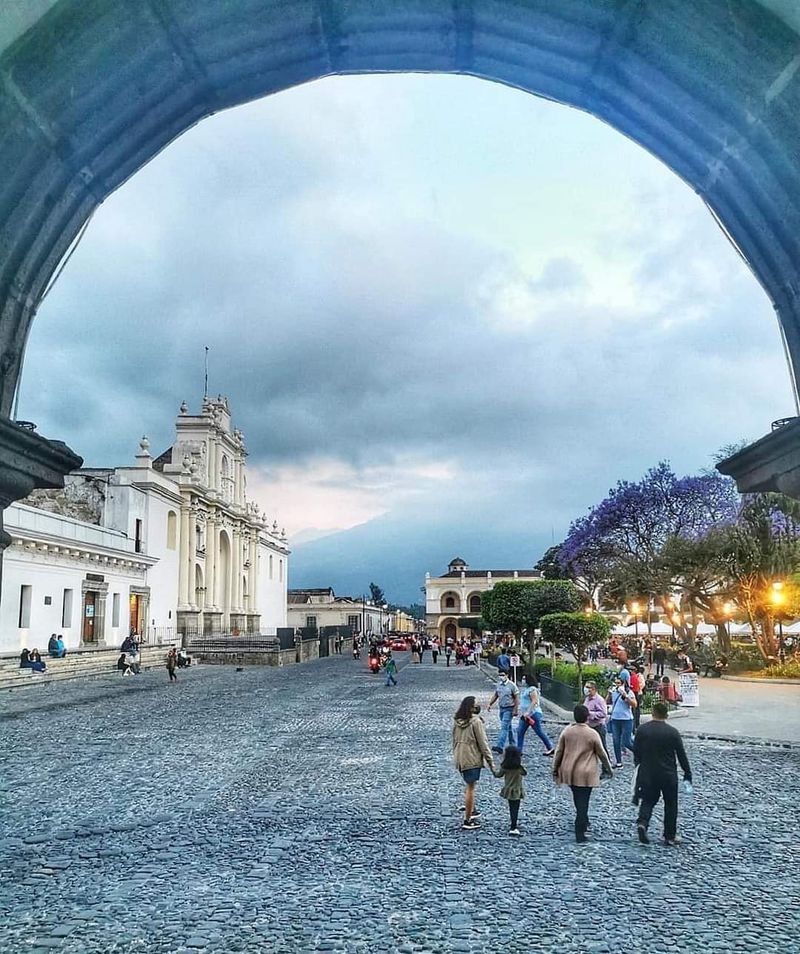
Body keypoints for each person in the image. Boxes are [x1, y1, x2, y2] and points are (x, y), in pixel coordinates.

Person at [633, 701, 693, 846]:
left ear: (653, 713)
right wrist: (687, 772)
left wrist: (639, 765)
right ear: (666, 715)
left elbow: (636, 751)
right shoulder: (672, 732)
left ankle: (642, 823)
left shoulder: (642, 730)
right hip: (668, 774)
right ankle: (669, 835)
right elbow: (681, 754)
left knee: (648, 800)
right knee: (671, 804)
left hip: (648, 772)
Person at [552, 704, 614, 843]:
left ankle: (583, 820)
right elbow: (602, 754)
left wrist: (555, 768)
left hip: (570, 771)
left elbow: (559, 751)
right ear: (587, 717)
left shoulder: (567, 731)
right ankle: (580, 829)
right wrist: (609, 769)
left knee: (577, 798)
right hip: (586, 772)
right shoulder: (592, 734)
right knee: (584, 800)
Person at [452, 695, 495, 831]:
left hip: (460, 757)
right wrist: (491, 762)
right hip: (472, 757)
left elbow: (454, 739)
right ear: (471, 707)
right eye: (476, 704)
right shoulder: (476, 722)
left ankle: (471, 809)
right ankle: (467, 819)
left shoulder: (457, 721)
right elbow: (483, 744)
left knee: (469, 784)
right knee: (471, 787)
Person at [490, 745, 527, 836]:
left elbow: (498, 775)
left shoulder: (505, 767)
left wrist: (492, 769)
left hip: (508, 790)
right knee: (516, 808)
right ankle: (514, 825)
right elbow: (524, 773)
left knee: (511, 807)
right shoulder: (519, 767)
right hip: (517, 790)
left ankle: (512, 825)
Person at [516, 674, 555, 756]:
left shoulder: (532, 689)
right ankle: (519, 750)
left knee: (539, 731)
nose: (523, 680)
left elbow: (534, 701)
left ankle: (550, 747)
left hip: (533, 714)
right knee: (520, 731)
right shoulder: (526, 690)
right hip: (525, 715)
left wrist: (528, 711)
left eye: (524, 678)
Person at [606, 673, 636, 768]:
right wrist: (609, 694)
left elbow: (634, 704)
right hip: (615, 719)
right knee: (616, 741)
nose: (617, 685)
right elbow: (606, 702)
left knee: (627, 741)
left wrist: (625, 695)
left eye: (618, 683)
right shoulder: (614, 692)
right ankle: (619, 762)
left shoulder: (629, 692)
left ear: (623, 683)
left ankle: (639, 752)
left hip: (626, 719)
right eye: (615, 683)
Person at [487, 671, 519, 754]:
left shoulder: (512, 685)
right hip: (502, 708)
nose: (501, 676)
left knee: (504, 727)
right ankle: (513, 745)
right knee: (508, 727)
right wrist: (490, 704)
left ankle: (500, 746)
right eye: (500, 675)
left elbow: (516, 698)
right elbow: (496, 695)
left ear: (507, 675)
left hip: (509, 708)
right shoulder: (499, 685)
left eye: (503, 675)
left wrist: (515, 709)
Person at [584, 681, 610, 756]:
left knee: (602, 747)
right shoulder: (587, 699)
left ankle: (606, 762)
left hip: (598, 727)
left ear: (594, 689)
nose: (586, 689)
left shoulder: (599, 700)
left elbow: (604, 713)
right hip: (589, 726)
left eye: (588, 687)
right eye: (585, 687)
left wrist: (590, 714)